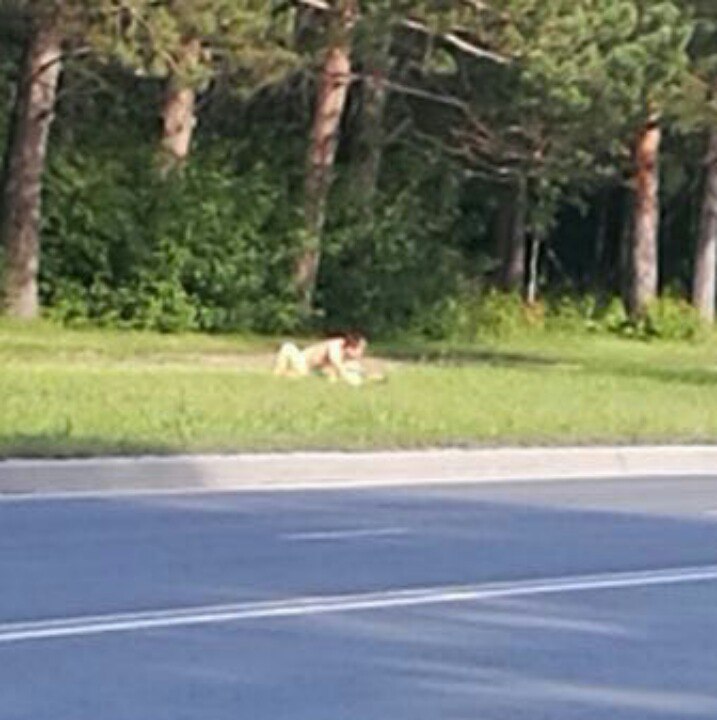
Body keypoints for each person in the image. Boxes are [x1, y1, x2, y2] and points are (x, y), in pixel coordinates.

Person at [274, 332, 368, 386]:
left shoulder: (347, 355)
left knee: (299, 377)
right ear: (352, 346)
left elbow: (357, 369)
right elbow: (336, 363)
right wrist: (349, 379)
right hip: (302, 361)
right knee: (288, 346)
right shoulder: (336, 345)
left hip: (310, 371)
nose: (362, 352)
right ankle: (277, 373)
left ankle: (286, 374)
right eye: (361, 348)